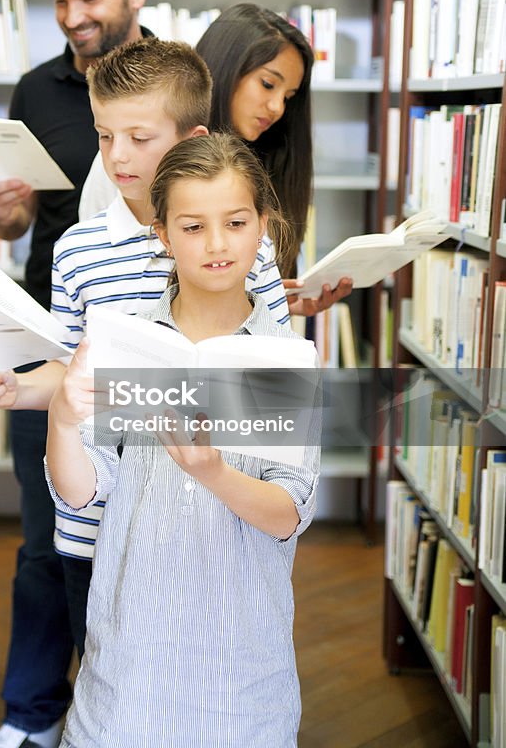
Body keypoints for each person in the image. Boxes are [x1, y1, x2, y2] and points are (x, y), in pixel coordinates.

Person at [0, 36, 296, 660]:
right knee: (108, 675)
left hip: (209, 518)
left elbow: (272, 384)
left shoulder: (241, 245)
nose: (118, 157)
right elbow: (67, 374)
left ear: (193, 136)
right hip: (99, 522)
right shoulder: (78, 250)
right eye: (103, 135)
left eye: (139, 138)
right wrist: (17, 385)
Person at [45, 132, 320, 748]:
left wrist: (215, 474)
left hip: (240, 665)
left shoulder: (282, 356)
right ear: (163, 236)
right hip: (129, 655)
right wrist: (63, 420)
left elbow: (289, 514)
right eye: (193, 227)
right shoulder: (128, 341)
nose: (217, 244)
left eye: (236, 222)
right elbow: (82, 492)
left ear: (263, 227)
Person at [0, 0, 150, 748]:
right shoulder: (37, 89)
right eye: (58, 0)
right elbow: (15, 229)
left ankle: (120, 706)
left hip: (145, 342)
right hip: (46, 338)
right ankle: (33, 712)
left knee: (136, 536)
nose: (73, 16)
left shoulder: (175, 85)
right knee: (45, 538)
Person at [80, 2, 353, 315]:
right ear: (226, 68)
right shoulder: (125, 166)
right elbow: (98, 271)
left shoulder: (264, 159)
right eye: (267, 84)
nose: (278, 108)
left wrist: (272, 301)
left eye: (288, 97)